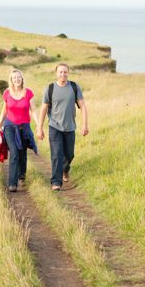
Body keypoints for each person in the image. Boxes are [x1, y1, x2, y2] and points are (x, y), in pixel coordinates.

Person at [37, 63, 89, 191]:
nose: (63, 74)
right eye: (60, 72)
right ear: (56, 73)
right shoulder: (50, 88)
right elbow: (43, 109)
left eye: (65, 72)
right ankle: (56, 181)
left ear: (68, 73)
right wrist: (40, 128)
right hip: (54, 126)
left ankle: (65, 170)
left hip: (70, 127)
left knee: (69, 154)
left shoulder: (74, 87)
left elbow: (82, 106)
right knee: (56, 154)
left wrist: (85, 125)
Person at [0, 68, 39, 192]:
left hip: (24, 127)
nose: (16, 79)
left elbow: (33, 110)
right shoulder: (7, 93)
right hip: (10, 127)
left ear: (22, 79)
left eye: (18, 77)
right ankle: (12, 183)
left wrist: (38, 125)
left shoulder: (28, 93)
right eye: (14, 77)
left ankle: (22, 175)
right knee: (15, 152)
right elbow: (4, 110)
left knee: (22, 153)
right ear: (11, 80)